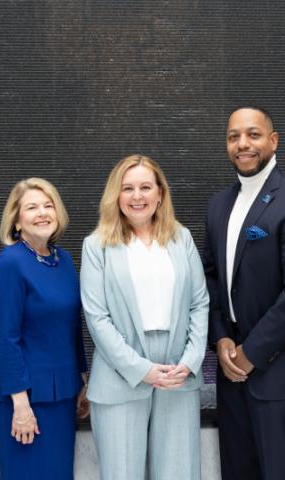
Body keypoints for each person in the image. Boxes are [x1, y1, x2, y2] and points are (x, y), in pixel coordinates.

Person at [203, 106, 285, 480]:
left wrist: (251, 353)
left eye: (253, 135)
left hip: (278, 364)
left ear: (273, 141)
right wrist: (222, 338)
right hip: (230, 362)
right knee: (238, 469)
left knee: (280, 471)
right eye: (234, 136)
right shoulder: (218, 204)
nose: (243, 144)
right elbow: (210, 278)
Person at [80, 154, 209, 480]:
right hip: (119, 375)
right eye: (128, 188)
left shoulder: (182, 238)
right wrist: (141, 369)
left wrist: (191, 360)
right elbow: (97, 318)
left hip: (178, 373)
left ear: (160, 193)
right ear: (116, 195)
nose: (137, 196)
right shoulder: (96, 245)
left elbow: (200, 303)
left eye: (145, 187)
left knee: (178, 473)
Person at [0, 178, 89, 480]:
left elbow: (73, 326)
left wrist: (82, 381)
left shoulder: (64, 260)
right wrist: (21, 405)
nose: (42, 213)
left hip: (63, 395)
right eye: (32, 207)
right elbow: (7, 339)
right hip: (26, 399)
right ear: (16, 220)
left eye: (48, 206)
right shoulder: (10, 264)